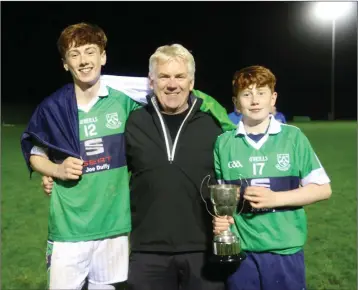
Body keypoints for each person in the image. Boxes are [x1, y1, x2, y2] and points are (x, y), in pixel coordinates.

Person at [42, 44, 236, 290]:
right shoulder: (134, 121)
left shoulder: (213, 125)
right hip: (147, 252)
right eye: (164, 76)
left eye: (179, 76)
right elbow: (103, 161)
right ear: (151, 81)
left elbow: (233, 175)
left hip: (204, 248)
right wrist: (56, 172)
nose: (172, 84)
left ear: (191, 81)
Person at [20, 22, 147, 290]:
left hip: (114, 228)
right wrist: (56, 171)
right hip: (69, 230)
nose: (84, 61)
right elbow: (34, 152)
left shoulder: (123, 102)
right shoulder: (54, 108)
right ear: (65, 64)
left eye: (90, 51)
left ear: (103, 57)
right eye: (74, 54)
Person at [212, 65, 332, 290]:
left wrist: (275, 199)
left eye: (261, 93)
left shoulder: (293, 137)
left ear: (273, 98)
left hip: (284, 250)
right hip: (242, 252)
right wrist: (221, 221)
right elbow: (223, 201)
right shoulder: (224, 143)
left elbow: (323, 188)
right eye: (246, 94)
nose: (254, 100)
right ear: (236, 103)